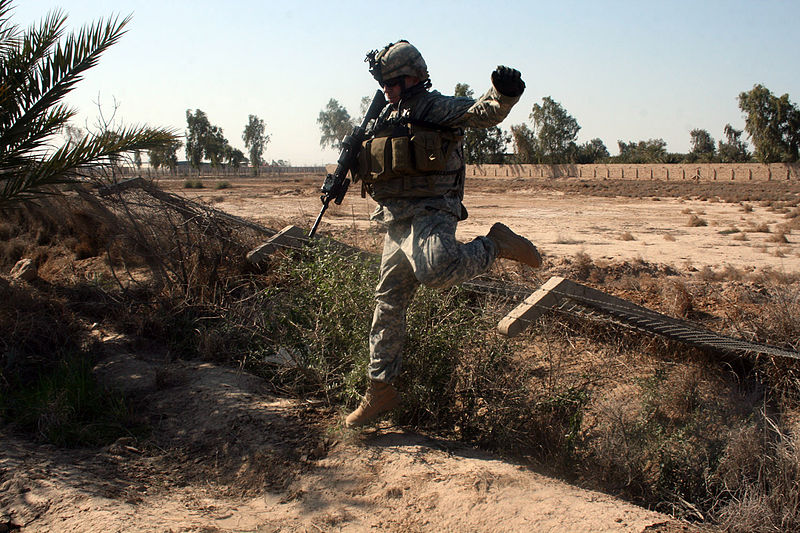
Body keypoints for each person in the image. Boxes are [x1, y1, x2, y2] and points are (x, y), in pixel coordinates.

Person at [345, 40, 542, 427]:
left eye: (393, 83)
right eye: (383, 84)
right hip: (396, 221)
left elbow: (481, 112)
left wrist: (504, 95)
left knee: (436, 271)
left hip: (433, 209)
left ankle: (496, 243)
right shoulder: (385, 114)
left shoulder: (433, 106)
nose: (386, 91)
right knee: (387, 303)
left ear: (413, 77)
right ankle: (379, 389)